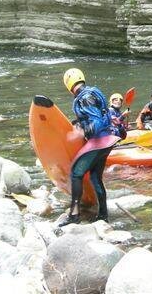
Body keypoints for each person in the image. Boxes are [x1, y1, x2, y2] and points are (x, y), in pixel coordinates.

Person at [59, 67, 119, 226]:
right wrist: (78, 124)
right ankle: (103, 216)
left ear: (69, 84)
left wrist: (81, 132)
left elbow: (97, 122)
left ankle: (74, 215)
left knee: (76, 173)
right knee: (95, 178)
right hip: (108, 141)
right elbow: (97, 115)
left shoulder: (84, 98)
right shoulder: (93, 92)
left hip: (98, 142)